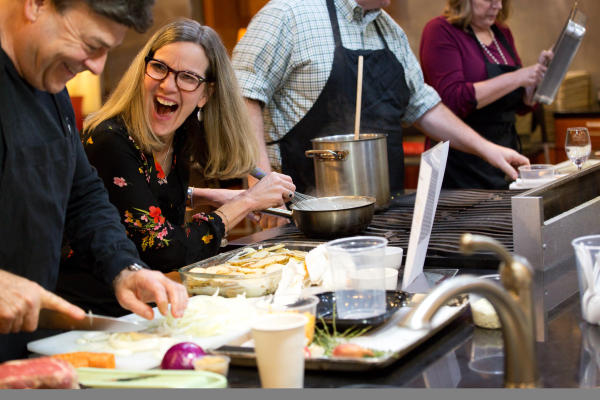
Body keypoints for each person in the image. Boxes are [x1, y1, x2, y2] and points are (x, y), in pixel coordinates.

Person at [56, 19, 296, 316]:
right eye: (160, 68)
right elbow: (165, 250)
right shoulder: (110, 139)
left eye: (188, 77)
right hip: (96, 314)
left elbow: (141, 195)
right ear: (142, 69)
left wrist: (206, 195)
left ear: (206, 94)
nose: (168, 85)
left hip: (153, 302)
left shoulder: (179, 133)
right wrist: (247, 201)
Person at [0, 0, 189, 362]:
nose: (97, 66)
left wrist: (123, 267)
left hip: (28, 351)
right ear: (36, 5)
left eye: (107, 51)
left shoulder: (47, 79)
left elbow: (83, 195)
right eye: (91, 45)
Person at [232, 0, 529, 228]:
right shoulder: (289, 14)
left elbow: (423, 105)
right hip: (303, 214)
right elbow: (243, 95)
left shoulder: (388, 30)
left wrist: (488, 150)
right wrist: (260, 182)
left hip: (383, 213)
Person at [420, 0, 552, 189]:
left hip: (504, 155)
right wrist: (517, 77)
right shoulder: (440, 30)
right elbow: (452, 100)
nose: (497, 6)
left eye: (501, 0)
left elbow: (519, 105)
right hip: (459, 165)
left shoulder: (501, 32)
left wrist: (534, 82)